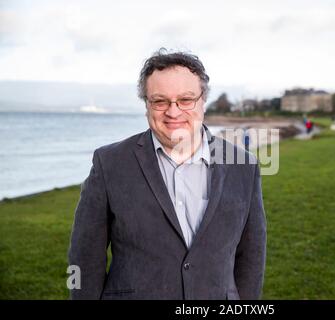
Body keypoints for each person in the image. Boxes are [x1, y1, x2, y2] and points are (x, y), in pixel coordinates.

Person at [68, 49, 267, 300]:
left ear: (203, 100)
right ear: (147, 105)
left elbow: (252, 257)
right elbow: (84, 256)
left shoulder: (244, 167)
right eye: (160, 101)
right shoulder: (109, 163)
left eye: (185, 100)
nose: (173, 112)